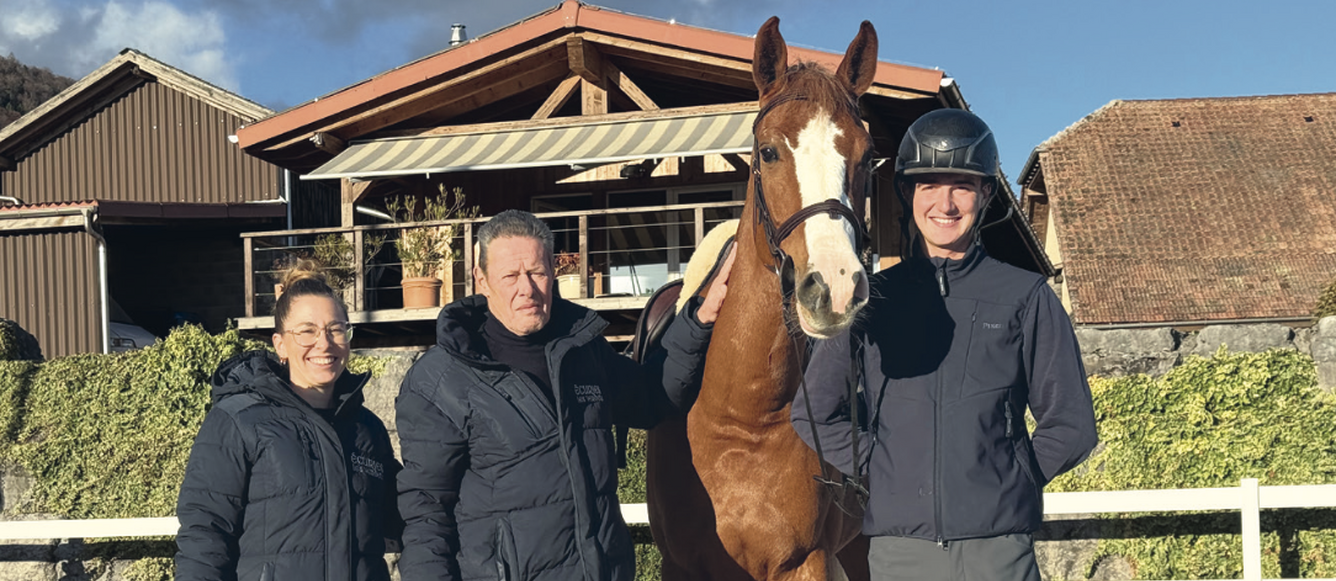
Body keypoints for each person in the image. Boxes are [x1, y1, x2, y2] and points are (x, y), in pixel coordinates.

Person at [792, 109, 1099, 581]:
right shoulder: (871, 299)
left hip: (999, 552)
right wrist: (878, 463)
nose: (945, 203)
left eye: (961, 185)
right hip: (900, 552)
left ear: (986, 193)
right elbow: (814, 410)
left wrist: (1012, 481)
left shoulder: (1025, 296)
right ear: (908, 193)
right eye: (929, 185)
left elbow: (1072, 423)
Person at [395, 209, 732, 581]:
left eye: (537, 272)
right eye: (510, 275)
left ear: (553, 273)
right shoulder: (439, 380)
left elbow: (653, 396)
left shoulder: (583, 350)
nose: (527, 288)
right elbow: (427, 511)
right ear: (481, 279)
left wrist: (700, 319)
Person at [176, 262, 402, 581]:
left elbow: (407, 513)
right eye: (307, 331)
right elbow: (205, 538)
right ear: (280, 344)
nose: (324, 344)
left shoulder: (367, 430)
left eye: (336, 329)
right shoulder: (238, 421)